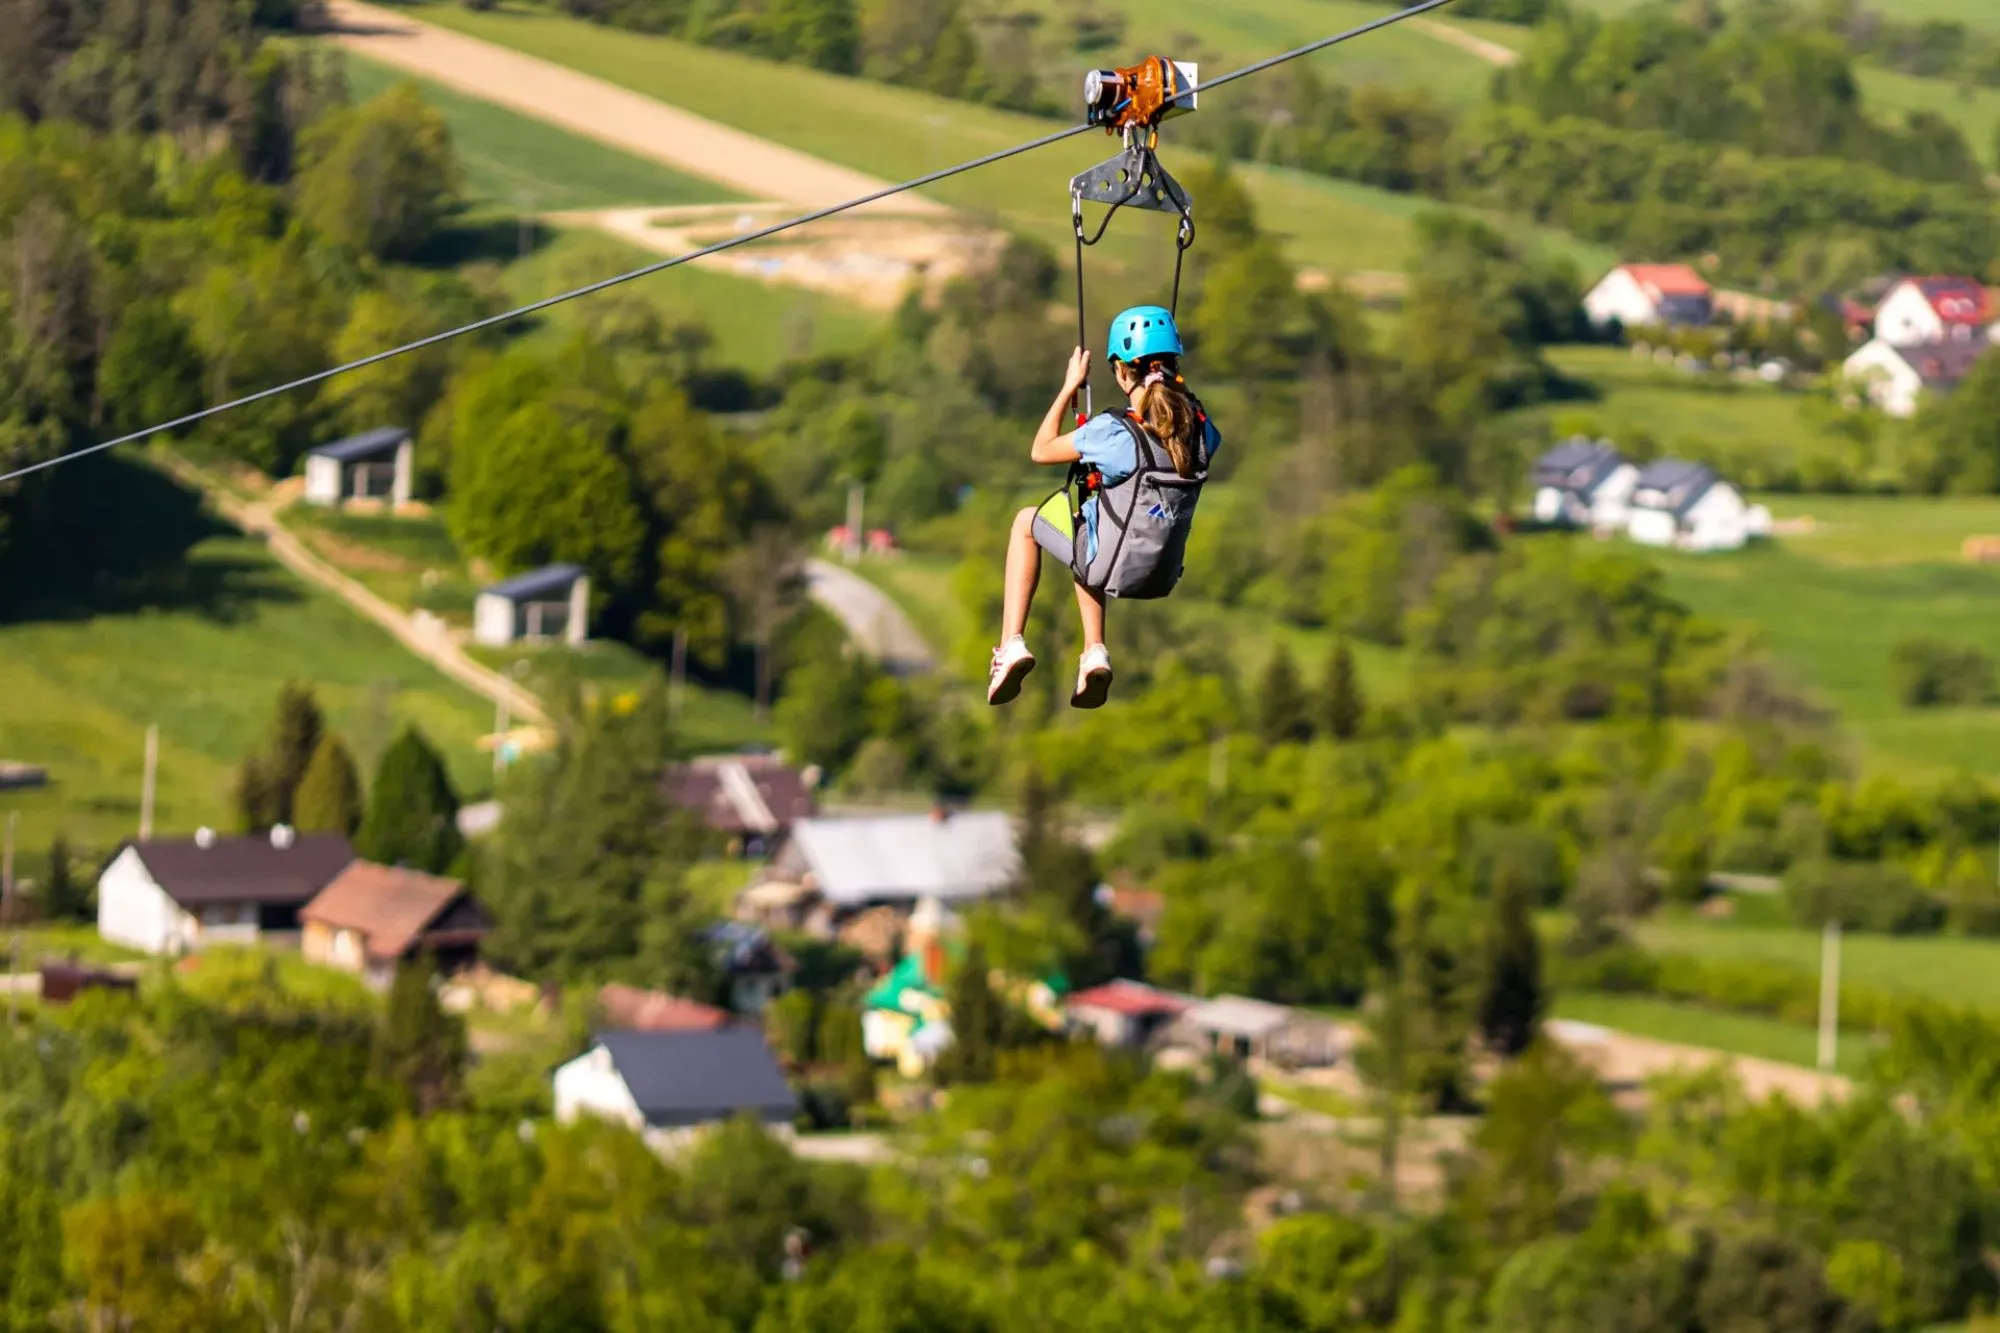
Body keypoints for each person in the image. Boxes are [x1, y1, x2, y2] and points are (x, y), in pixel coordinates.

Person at [987, 305, 1222, 709]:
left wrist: (1069, 388)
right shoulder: (1202, 433)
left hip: (1108, 564)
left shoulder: (1115, 433)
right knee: (1091, 523)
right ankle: (1093, 651)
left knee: (1028, 522)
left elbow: (1040, 450)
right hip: (1160, 576)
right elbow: (1183, 427)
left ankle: (1012, 644)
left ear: (1121, 372)